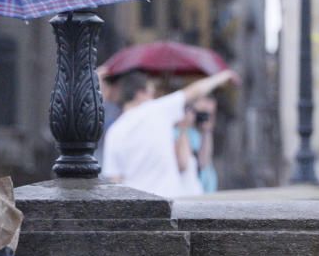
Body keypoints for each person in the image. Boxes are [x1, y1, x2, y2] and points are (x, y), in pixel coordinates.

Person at [101, 69, 238, 197]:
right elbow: (193, 91)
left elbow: (115, 180)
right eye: (151, 92)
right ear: (140, 93)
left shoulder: (114, 132)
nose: (153, 97)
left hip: (136, 207)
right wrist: (222, 76)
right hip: (167, 202)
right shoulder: (156, 109)